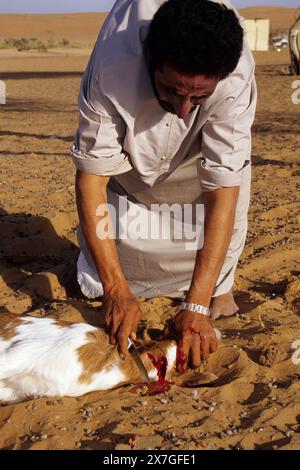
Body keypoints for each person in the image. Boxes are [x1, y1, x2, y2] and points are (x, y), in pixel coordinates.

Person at [69, 0, 257, 372]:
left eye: (199, 97)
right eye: (171, 90)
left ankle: (216, 293)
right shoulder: (112, 68)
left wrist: (198, 305)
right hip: (130, 159)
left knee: (214, 294)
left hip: (199, 158)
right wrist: (116, 291)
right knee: (118, 274)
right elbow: (92, 177)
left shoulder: (234, 76)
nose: (184, 110)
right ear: (150, 58)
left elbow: (223, 189)